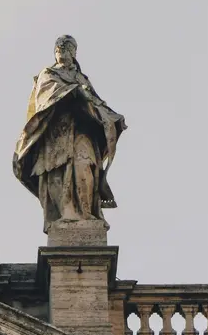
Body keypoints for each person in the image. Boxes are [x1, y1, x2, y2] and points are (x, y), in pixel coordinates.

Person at [13, 35, 127, 233]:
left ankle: (86, 214)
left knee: (85, 168)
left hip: (82, 133)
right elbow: (45, 98)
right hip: (56, 133)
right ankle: (64, 214)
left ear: (74, 52)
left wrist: (112, 117)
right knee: (57, 172)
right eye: (59, 48)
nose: (62, 51)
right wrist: (75, 92)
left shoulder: (82, 78)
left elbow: (96, 103)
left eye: (67, 48)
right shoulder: (48, 74)